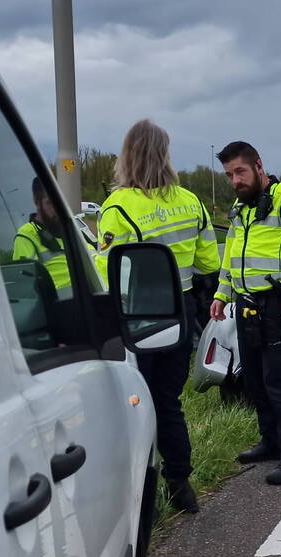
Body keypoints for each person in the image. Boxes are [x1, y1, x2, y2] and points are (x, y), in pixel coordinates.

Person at [96, 119, 221, 513]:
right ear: (165, 154)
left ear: (126, 155)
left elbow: (106, 273)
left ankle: (136, 498)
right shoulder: (191, 201)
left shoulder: (118, 206)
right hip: (180, 315)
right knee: (168, 402)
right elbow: (208, 262)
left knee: (131, 405)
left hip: (136, 318)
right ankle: (181, 485)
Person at [209, 141, 281, 485]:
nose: (234, 181)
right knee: (255, 380)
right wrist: (221, 293)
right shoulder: (240, 207)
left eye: (239, 172)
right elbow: (232, 254)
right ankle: (270, 443)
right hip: (246, 306)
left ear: (259, 166)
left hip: (278, 305)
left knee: (280, 383)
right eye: (228, 175)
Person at [13, 177, 73, 298]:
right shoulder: (27, 235)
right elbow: (26, 285)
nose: (55, 208)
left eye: (58, 201)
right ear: (36, 202)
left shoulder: (69, 230)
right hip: (54, 310)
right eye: (49, 203)